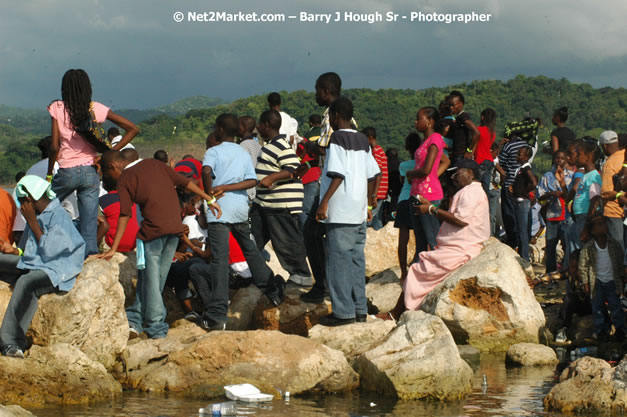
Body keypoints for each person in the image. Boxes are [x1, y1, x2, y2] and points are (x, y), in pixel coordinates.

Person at [97, 150, 221, 339]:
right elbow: (185, 182)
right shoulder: (155, 164)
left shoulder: (125, 179)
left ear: (113, 167)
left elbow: (125, 214)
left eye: (107, 174)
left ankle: (156, 328)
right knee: (153, 279)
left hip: (152, 234)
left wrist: (113, 249)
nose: (109, 178)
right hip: (174, 230)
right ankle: (135, 318)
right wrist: (209, 198)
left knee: (152, 280)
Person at [196, 114, 286, 331]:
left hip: (219, 209)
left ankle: (217, 315)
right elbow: (251, 181)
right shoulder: (243, 151)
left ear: (218, 130)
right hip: (239, 207)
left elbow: (206, 171)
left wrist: (211, 194)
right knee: (250, 249)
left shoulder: (213, 151)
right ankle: (272, 289)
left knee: (219, 259)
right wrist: (229, 187)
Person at [47, 69, 139, 256]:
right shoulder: (94, 108)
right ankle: (88, 257)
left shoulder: (57, 107)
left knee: (44, 208)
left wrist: (49, 174)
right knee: (89, 222)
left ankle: (36, 250)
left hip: (66, 171)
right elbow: (133, 128)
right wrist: (111, 152)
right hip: (90, 172)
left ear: (65, 88)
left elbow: (54, 147)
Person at [0, 176, 85, 358]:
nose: (22, 207)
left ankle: (12, 342)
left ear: (29, 200)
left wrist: (31, 221)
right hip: (36, 263)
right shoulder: (39, 215)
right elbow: (29, 252)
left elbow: (49, 251)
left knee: (26, 282)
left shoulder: (58, 215)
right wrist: (13, 251)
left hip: (56, 268)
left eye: (22, 202)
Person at [315, 97, 380, 326]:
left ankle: (343, 312)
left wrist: (323, 203)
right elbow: (375, 174)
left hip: (340, 210)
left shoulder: (337, 138)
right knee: (355, 261)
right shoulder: (363, 139)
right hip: (359, 210)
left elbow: (337, 173)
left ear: (334, 116)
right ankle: (359, 309)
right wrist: (370, 202)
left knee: (338, 262)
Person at [401, 159, 490, 312]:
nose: (452, 177)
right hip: (457, 246)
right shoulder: (469, 191)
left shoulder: (471, 192)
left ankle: (396, 312)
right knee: (421, 264)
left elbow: (461, 220)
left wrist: (431, 210)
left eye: (456, 173)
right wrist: (430, 206)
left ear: (470, 173)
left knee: (417, 269)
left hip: (461, 249)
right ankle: (406, 308)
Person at [253, 109, 312, 287]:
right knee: (252, 238)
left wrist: (271, 178)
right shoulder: (272, 145)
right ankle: (249, 271)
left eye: (260, 125)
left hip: (280, 203)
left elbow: (293, 168)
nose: (258, 128)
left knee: (285, 241)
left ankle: (301, 275)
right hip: (265, 202)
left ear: (266, 126)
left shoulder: (279, 145)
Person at [405, 107, 447, 262]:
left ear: (430, 121)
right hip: (417, 194)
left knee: (432, 240)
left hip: (428, 196)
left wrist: (410, 174)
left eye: (419, 118)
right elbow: (440, 164)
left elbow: (426, 170)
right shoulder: (426, 142)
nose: (416, 122)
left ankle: (440, 274)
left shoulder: (435, 139)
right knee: (420, 242)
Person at [578, 214, 625, 342]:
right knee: (597, 308)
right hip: (596, 282)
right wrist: (586, 283)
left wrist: (622, 280)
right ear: (593, 231)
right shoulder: (588, 248)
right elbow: (583, 267)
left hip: (612, 281)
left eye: (604, 223)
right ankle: (601, 330)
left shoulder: (614, 245)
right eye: (600, 224)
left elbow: (620, 263)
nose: (605, 226)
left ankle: (620, 330)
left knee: (616, 306)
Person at [538, 151, 573, 278]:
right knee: (551, 247)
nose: (559, 160)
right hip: (552, 215)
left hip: (567, 216)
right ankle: (550, 274)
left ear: (567, 159)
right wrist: (550, 194)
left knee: (567, 246)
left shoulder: (572, 176)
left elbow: (572, 194)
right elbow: (539, 197)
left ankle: (566, 272)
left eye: (562, 158)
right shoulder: (547, 176)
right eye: (557, 158)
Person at [498, 132, 531, 250]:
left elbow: (499, 162)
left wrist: (499, 147)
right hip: (519, 185)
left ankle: (512, 241)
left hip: (508, 183)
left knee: (508, 214)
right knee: (518, 215)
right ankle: (520, 241)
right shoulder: (526, 145)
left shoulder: (508, 146)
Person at [396, 133, 421, 280]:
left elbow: (402, 181)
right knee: (420, 238)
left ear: (406, 148)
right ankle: (418, 269)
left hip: (404, 200)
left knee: (403, 241)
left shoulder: (403, 166)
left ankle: (403, 272)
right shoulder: (423, 164)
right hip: (418, 200)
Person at [569, 140, 602, 253]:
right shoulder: (585, 175)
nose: (576, 157)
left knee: (584, 250)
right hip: (579, 217)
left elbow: (594, 200)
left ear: (588, 157)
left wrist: (587, 225)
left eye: (579, 154)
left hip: (585, 218)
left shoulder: (593, 176)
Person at [597, 131, 625, 250]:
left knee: (618, 247)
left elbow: (606, 193)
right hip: (624, 210)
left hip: (613, 211)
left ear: (605, 146)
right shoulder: (624, 156)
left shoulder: (609, 163)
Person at [98, 175, 140, 253]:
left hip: (112, 244)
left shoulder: (102, 201)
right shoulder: (134, 200)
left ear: (104, 185)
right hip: (134, 243)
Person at [510, 146, 537, 261]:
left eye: (519, 154)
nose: (517, 156)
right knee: (521, 230)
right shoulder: (521, 169)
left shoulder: (526, 168)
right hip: (520, 202)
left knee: (522, 232)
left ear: (526, 157)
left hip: (522, 202)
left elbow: (534, 183)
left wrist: (522, 192)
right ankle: (522, 255)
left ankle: (524, 257)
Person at [362, 127, 388, 231]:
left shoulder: (375, 151)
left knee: (369, 218)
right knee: (377, 219)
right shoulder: (379, 150)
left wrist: (373, 195)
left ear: (370, 138)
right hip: (381, 192)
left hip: (377, 192)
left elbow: (377, 173)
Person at [447, 90, 479, 163]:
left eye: (453, 105)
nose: (451, 108)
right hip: (457, 154)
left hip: (461, 156)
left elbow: (476, 133)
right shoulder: (458, 118)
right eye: (449, 105)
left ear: (461, 104)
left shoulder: (463, 117)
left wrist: (469, 151)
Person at [237, 116, 262, 201]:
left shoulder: (243, 145)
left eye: (238, 125)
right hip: (256, 188)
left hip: (247, 190)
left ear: (244, 128)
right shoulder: (257, 144)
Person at [473, 108, 497, 194]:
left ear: (482, 117)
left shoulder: (478, 130)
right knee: (485, 188)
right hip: (489, 161)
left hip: (480, 160)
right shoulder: (492, 133)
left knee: (475, 186)